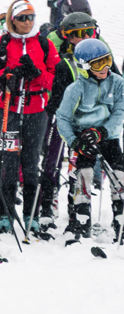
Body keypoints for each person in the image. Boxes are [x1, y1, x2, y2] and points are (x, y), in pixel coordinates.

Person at [0, 0, 59, 234]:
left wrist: (36, 73)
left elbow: (54, 79)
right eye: (22, 18)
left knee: (30, 164)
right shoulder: (2, 42)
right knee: (8, 162)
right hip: (7, 107)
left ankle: (31, 215)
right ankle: (4, 215)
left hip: (36, 108)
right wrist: (10, 73)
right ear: (12, 19)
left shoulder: (45, 44)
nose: (27, 22)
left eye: (31, 17)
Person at [56, 39, 124, 243]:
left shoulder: (118, 83)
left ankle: (120, 220)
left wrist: (103, 131)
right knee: (83, 175)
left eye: (107, 61)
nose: (105, 68)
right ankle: (81, 221)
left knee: (119, 174)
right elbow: (63, 118)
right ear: (85, 67)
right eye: (97, 64)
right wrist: (74, 141)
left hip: (107, 136)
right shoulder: (75, 89)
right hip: (83, 138)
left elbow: (120, 112)